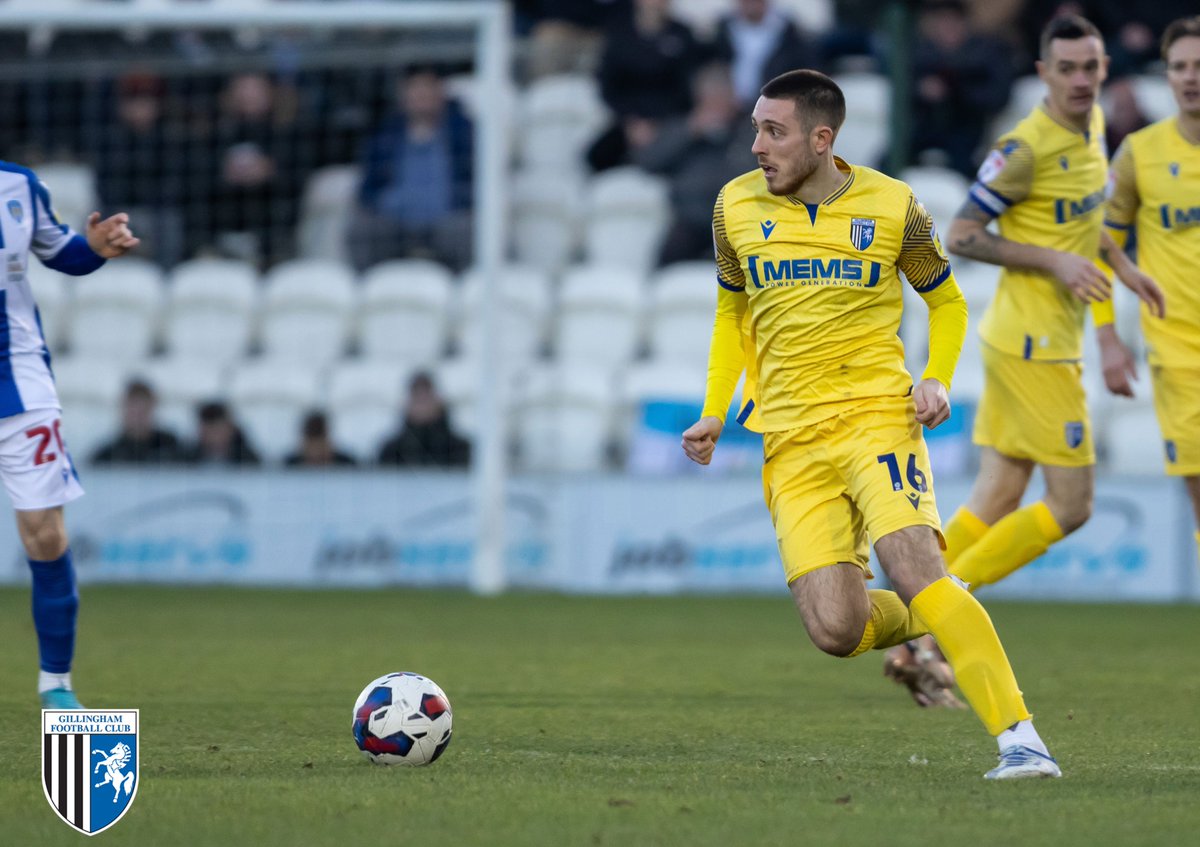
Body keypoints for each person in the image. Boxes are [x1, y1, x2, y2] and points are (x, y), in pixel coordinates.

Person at [681, 69, 1059, 779]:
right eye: (757, 128)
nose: (757, 144)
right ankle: (951, 604)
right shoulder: (734, 205)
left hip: (875, 418)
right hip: (789, 439)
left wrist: (936, 376)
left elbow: (945, 303)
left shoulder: (893, 206)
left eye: (774, 130)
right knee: (836, 628)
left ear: (823, 140)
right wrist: (713, 408)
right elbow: (731, 313)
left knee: (914, 567)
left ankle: (1020, 737)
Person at [884, 16, 1165, 704]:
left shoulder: (1094, 127)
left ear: (1105, 70)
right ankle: (930, 627)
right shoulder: (1026, 148)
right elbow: (963, 234)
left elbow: (1088, 234)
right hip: (1034, 348)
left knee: (998, 498)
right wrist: (1054, 262)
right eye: (1066, 67)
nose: (1079, 79)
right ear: (1041, 72)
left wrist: (1115, 287)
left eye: (1091, 67)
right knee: (1072, 507)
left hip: (1038, 341)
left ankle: (913, 626)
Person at [0, 162, 139, 708]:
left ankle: (56, 685)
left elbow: (62, 253)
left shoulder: (18, 186)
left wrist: (96, 247)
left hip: (17, 378)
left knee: (45, 534)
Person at [1104, 15, 1200, 562]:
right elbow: (1100, 242)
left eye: (1199, 66)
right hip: (1179, 351)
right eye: (1179, 67)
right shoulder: (1141, 153)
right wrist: (1109, 338)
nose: (1190, 77)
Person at [348, 68, 473, 272]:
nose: (422, 95)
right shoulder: (385, 136)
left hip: (447, 221)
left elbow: (476, 181)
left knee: (468, 231)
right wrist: (382, 204)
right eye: (415, 89)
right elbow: (367, 187)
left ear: (440, 94)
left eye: (428, 89)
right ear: (403, 96)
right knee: (362, 230)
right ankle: (367, 291)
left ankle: (471, 293)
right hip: (395, 224)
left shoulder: (463, 132)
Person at [632, 63, 757, 265]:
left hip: (734, 219)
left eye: (720, 100)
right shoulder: (685, 128)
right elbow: (648, 161)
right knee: (667, 260)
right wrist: (690, 131)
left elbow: (752, 171)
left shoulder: (750, 130)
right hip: (690, 218)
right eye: (708, 101)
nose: (714, 108)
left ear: (732, 98)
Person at [378, 372, 470, 468]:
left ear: (439, 400)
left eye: (427, 394)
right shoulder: (391, 453)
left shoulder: (461, 450)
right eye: (416, 395)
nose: (422, 401)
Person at [91, 379, 184, 465]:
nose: (137, 419)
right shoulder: (108, 455)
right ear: (123, 411)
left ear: (152, 410)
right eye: (133, 412)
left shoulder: (171, 447)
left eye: (142, 412)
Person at [181, 401, 261, 466]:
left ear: (230, 430)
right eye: (207, 431)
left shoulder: (247, 461)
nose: (212, 437)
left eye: (217, 431)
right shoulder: (186, 459)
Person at [284, 410, 356, 467]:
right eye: (312, 447)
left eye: (320, 447)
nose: (316, 454)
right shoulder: (290, 466)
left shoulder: (347, 465)